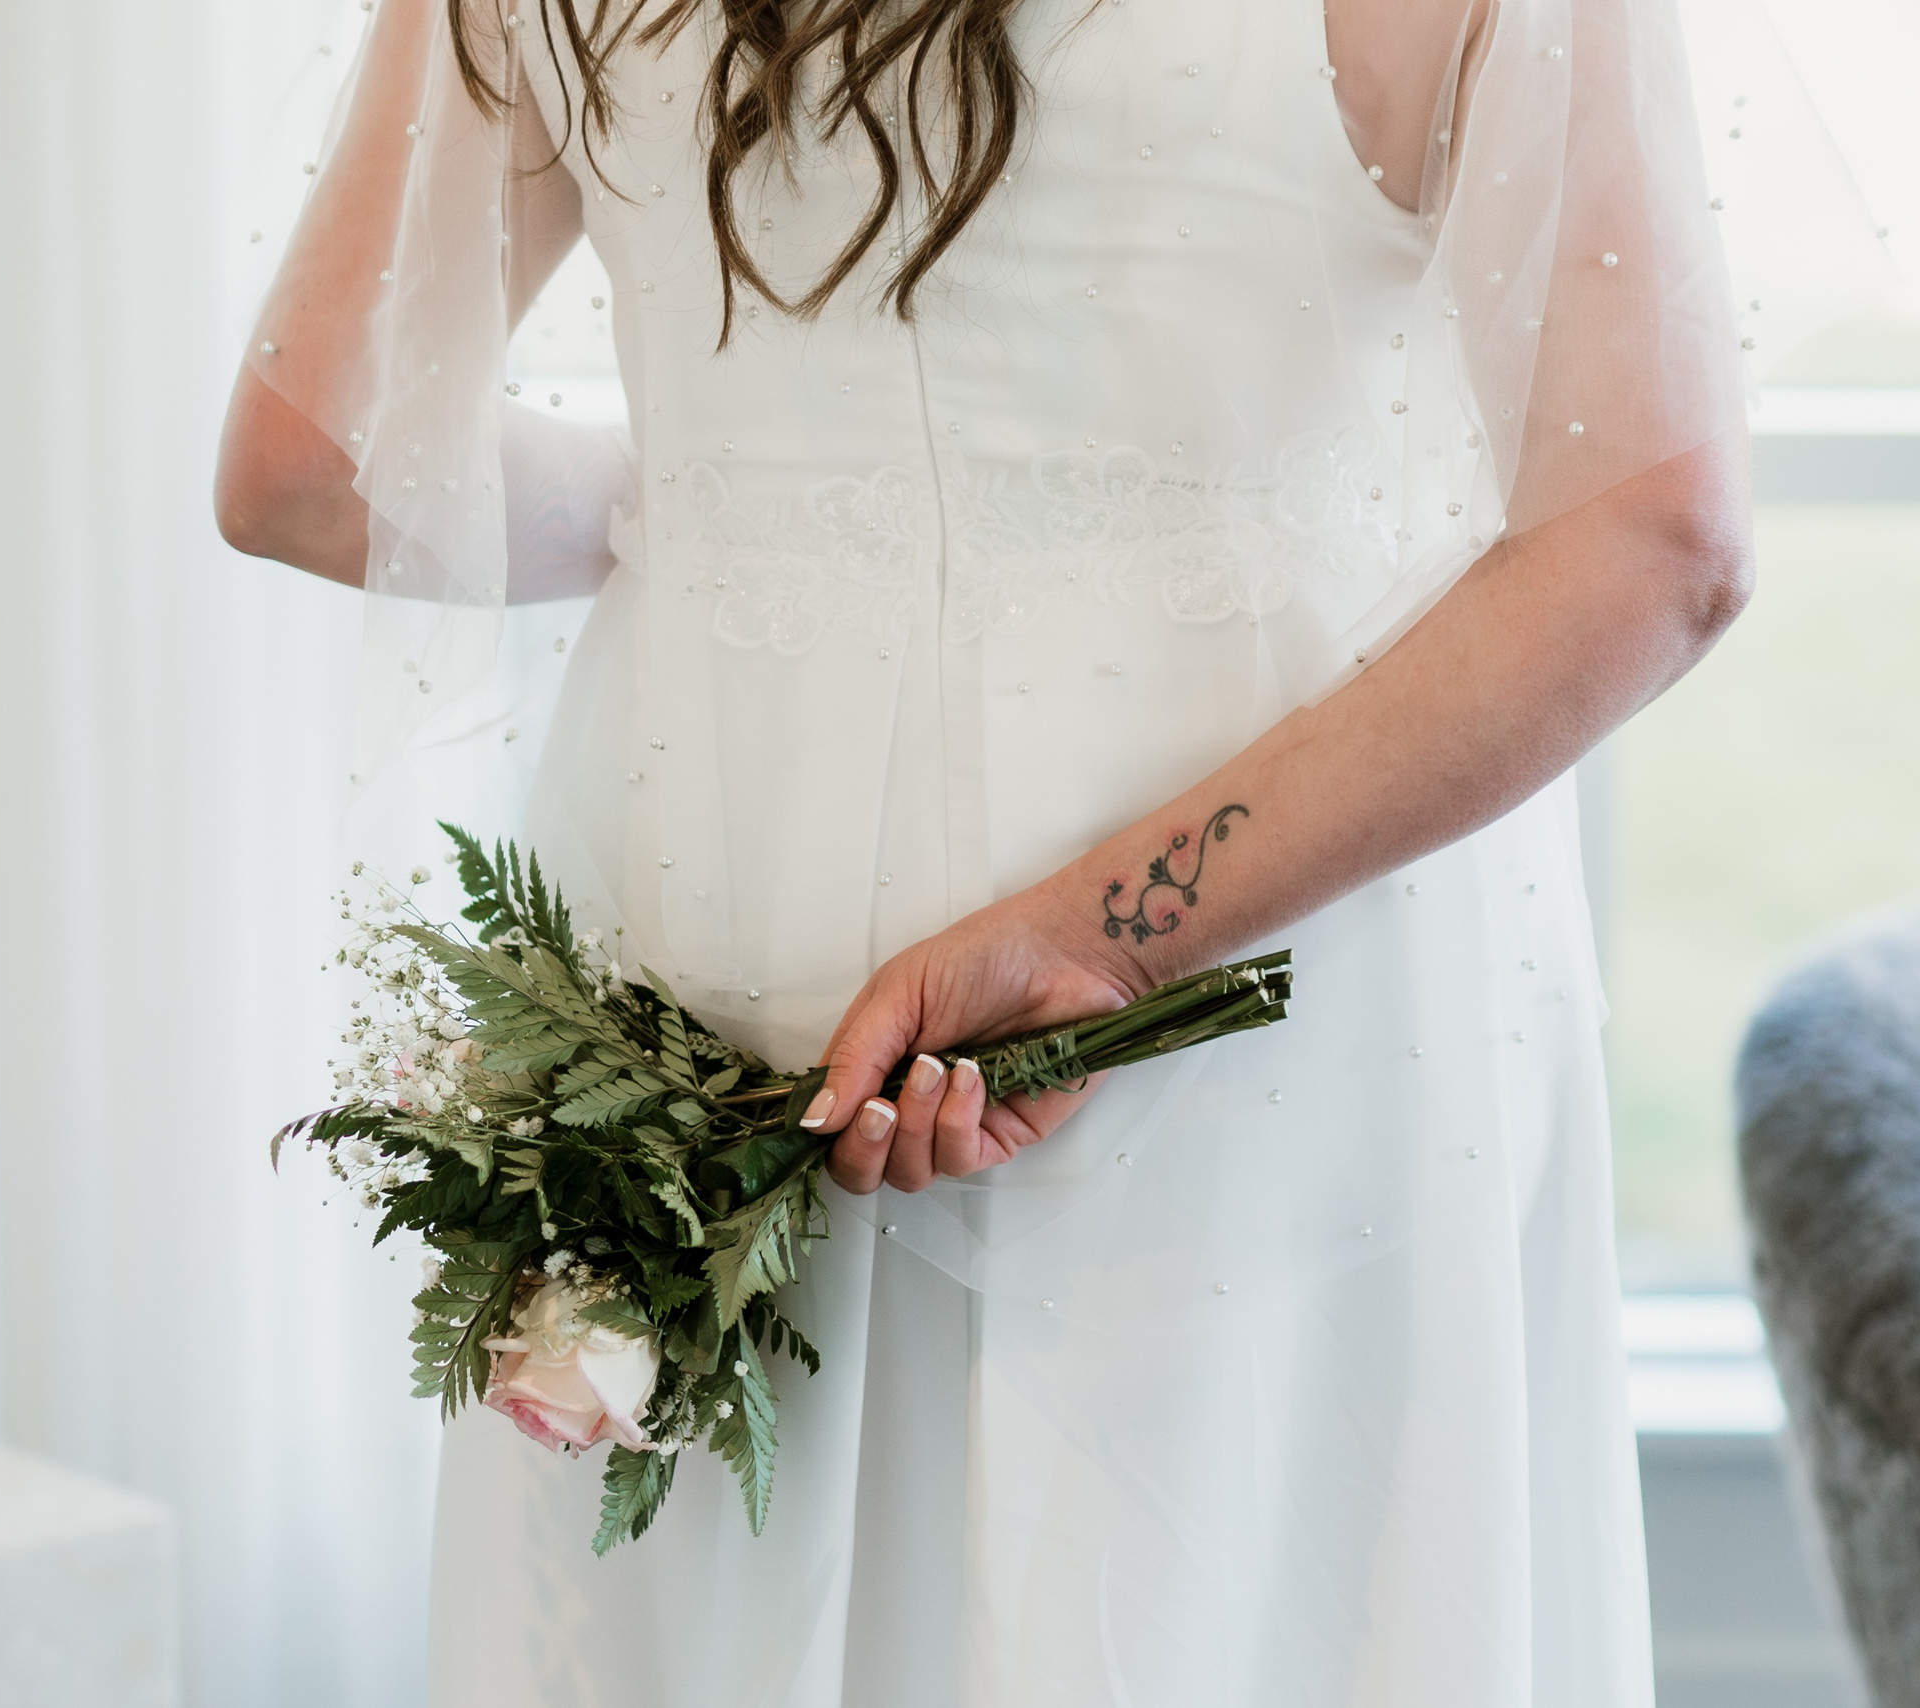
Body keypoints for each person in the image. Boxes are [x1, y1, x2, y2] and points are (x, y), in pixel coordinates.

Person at [216, 0, 1784, 1698]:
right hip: (1259, 984)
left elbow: (311, 464)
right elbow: (1651, 536)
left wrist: (709, 499)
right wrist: (1104, 941)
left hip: (720, 912)